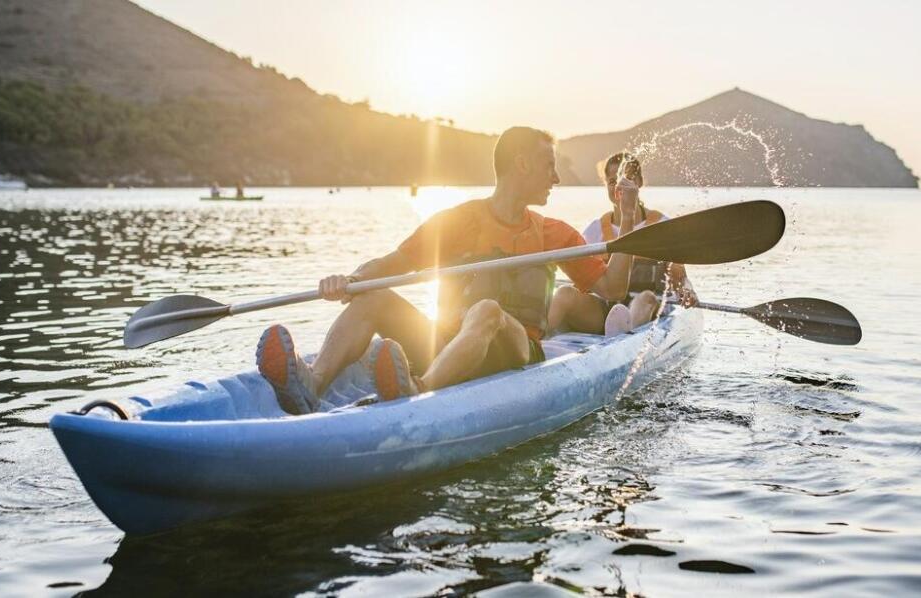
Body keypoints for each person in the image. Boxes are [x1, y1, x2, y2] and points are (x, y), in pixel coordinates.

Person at [255, 127, 642, 414]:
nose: (556, 179)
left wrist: (626, 218)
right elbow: (388, 266)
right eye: (549, 167)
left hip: (517, 350)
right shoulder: (457, 221)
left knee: (487, 310)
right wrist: (351, 280)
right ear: (522, 164)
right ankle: (311, 386)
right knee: (373, 297)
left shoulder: (554, 233)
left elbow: (611, 287)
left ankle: (419, 389)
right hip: (446, 342)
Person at [546, 152, 697, 337]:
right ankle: (534, 339)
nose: (619, 187)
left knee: (646, 298)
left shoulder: (661, 226)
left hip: (648, 309)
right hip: (605, 311)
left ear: (639, 182)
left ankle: (624, 334)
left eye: (627, 179)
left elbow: (680, 278)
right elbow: (582, 283)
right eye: (612, 182)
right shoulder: (594, 231)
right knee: (564, 293)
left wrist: (687, 290)